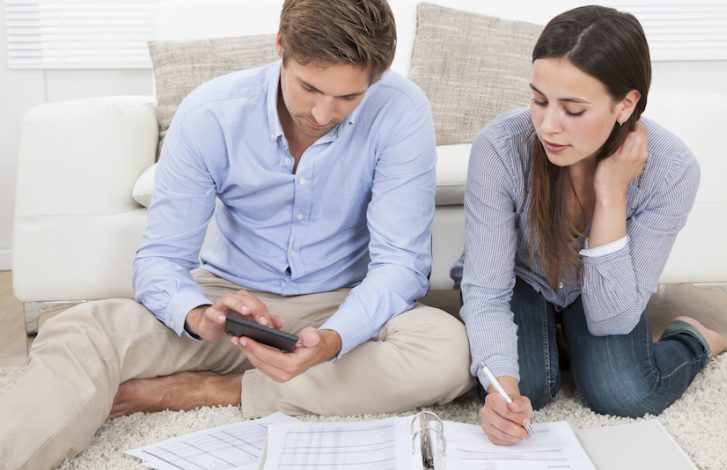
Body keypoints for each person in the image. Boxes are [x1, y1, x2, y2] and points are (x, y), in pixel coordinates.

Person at [0, 0, 473, 467]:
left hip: (342, 304)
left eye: (349, 97)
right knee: (83, 329)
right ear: (281, 47)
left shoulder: (401, 110)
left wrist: (332, 339)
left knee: (449, 351)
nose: (324, 113)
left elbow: (400, 265)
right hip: (231, 308)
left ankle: (215, 390)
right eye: (309, 88)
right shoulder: (211, 113)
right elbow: (160, 258)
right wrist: (202, 316)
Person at [451, 5, 727, 446]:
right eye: (539, 100)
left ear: (626, 104)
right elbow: (486, 291)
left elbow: (612, 317)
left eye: (573, 110)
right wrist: (501, 391)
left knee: (626, 392)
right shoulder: (500, 148)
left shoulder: (673, 170)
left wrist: (611, 194)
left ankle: (693, 337)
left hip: (603, 287)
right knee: (532, 390)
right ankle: (560, 347)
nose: (548, 126)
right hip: (521, 281)